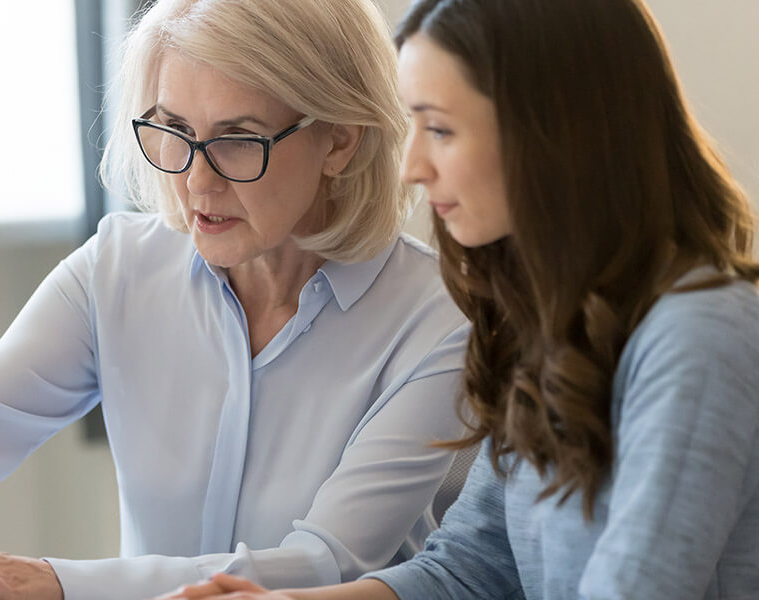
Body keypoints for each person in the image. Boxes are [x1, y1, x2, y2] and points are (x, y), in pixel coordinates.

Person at [0, 1, 471, 598]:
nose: (197, 181)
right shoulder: (119, 267)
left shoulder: (438, 322)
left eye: (237, 140)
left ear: (339, 139)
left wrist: (61, 584)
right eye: (173, 131)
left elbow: (324, 563)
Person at [160, 0, 759, 599]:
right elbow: (469, 569)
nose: (411, 168)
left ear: (554, 133)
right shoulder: (552, 326)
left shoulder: (699, 335)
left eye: (440, 129)